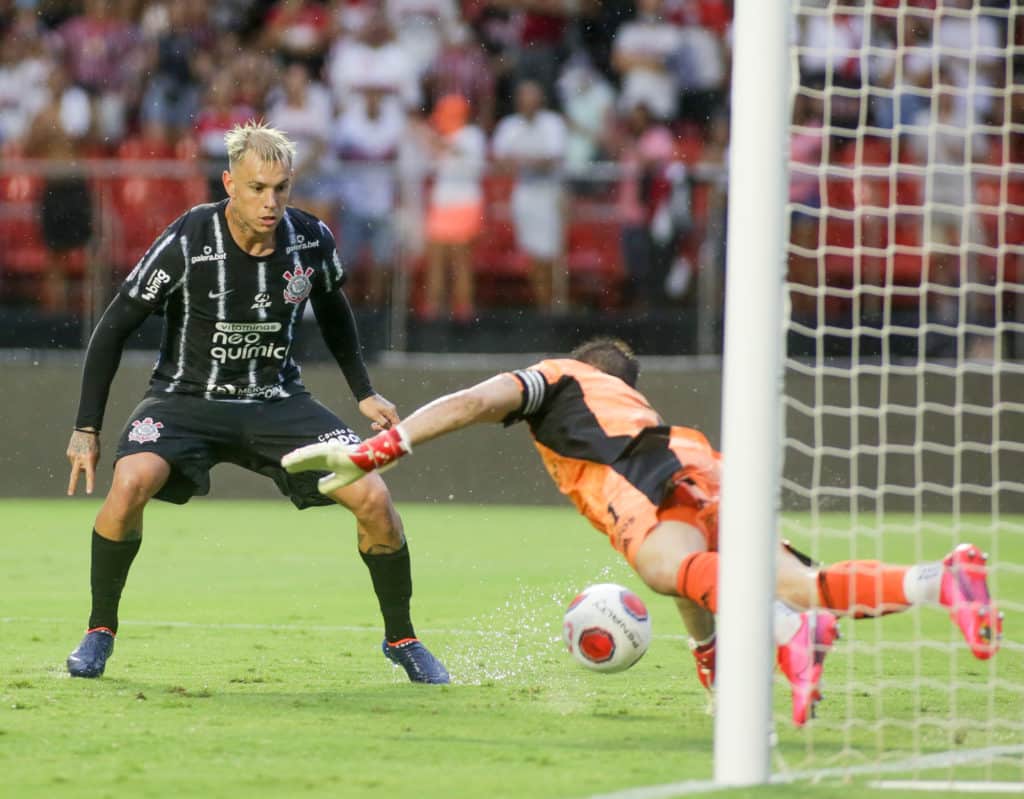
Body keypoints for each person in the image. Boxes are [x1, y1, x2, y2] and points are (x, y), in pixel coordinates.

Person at [281, 337, 1003, 725]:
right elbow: (691, 577)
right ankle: (943, 579)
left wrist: (377, 449)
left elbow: (473, 399)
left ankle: (781, 625)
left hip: (644, 469)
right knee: (797, 583)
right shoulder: (632, 405)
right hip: (699, 462)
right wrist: (710, 657)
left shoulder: (561, 378)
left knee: (663, 568)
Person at [64, 121, 449, 685]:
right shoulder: (188, 237)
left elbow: (336, 310)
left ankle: (403, 639)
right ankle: (99, 631)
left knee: (374, 497)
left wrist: (364, 391)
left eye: (281, 188)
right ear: (228, 184)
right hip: (184, 399)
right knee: (128, 485)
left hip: (277, 401)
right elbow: (114, 326)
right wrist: (86, 427)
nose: (270, 202)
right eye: (256, 188)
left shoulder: (311, 238)